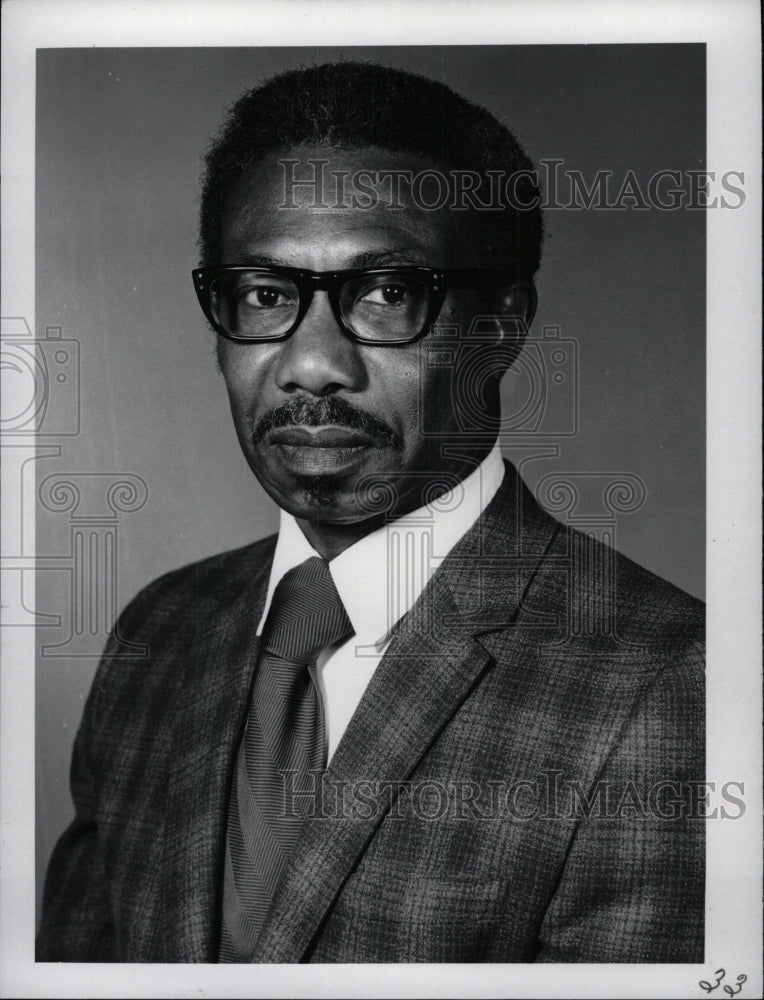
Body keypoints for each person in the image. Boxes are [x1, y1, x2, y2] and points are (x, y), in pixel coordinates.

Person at [36, 61, 704, 964]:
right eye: (266, 295)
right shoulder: (159, 632)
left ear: (501, 326)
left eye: (386, 293)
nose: (312, 364)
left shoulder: (668, 686)